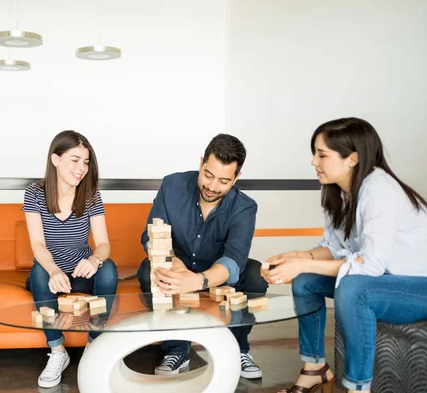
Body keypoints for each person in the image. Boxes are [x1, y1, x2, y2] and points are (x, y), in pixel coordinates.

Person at [262, 118, 427, 393]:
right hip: (383, 281)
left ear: (352, 158)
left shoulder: (379, 190)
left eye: (322, 155)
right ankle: (314, 367)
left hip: (416, 286)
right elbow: (334, 248)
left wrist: (302, 261)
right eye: (314, 153)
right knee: (305, 278)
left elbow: (370, 265)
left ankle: (358, 388)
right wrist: (295, 258)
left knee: (353, 289)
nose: (314, 162)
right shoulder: (339, 192)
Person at [137, 133, 269, 378]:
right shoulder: (172, 185)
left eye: (223, 181)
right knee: (148, 269)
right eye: (208, 175)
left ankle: (238, 348)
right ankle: (177, 349)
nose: (212, 186)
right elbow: (150, 236)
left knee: (254, 273)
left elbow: (235, 258)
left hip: (215, 272)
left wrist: (198, 281)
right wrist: (174, 262)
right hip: (179, 263)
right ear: (201, 163)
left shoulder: (245, 207)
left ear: (236, 178)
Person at [23, 130, 118, 389]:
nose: (82, 168)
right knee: (40, 273)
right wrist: (54, 270)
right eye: (74, 160)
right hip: (51, 274)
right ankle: (57, 351)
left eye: (86, 162)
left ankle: (94, 344)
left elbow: (103, 245)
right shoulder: (34, 193)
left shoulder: (90, 195)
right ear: (55, 159)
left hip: (81, 274)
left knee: (109, 269)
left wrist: (95, 261)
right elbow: (37, 244)